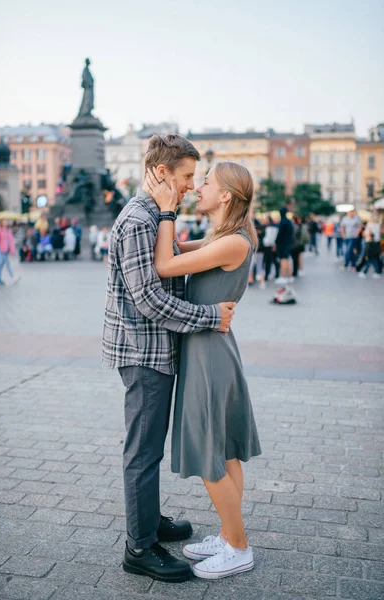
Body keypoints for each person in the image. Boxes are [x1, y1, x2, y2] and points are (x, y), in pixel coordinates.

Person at [101, 134, 236, 583]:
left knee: (149, 448)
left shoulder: (156, 216)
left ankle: (148, 520)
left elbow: (174, 258)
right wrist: (209, 316)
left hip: (154, 349)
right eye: (184, 177)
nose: (188, 185)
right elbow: (149, 299)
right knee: (142, 451)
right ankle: (139, 547)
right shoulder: (141, 219)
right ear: (161, 173)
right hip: (143, 351)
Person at [145, 161, 261, 580]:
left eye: (205, 182)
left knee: (210, 455)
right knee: (225, 452)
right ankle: (230, 537)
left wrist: (166, 211)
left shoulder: (233, 242)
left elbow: (163, 265)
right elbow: (174, 251)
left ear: (226, 195)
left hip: (209, 356)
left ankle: (240, 547)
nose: (198, 188)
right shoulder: (222, 237)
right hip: (210, 349)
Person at [275, 206, 294, 284]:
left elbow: (279, 234)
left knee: (283, 260)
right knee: (287, 260)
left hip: (282, 244)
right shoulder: (289, 221)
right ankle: (290, 276)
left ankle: (283, 276)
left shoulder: (282, 222)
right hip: (288, 243)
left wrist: (276, 241)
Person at [0, 219, 19, 284]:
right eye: (4, 222)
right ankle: (12, 276)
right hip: (1, 250)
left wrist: (12, 249)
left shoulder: (8, 230)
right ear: (1, 223)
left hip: (6, 250)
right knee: (6, 264)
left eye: (6, 222)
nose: (6, 223)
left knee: (0, 265)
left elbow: (11, 240)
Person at [262, 215, 279, 281]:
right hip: (270, 246)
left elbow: (271, 237)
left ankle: (269, 274)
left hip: (269, 246)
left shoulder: (269, 227)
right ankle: (270, 274)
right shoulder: (273, 226)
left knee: (270, 261)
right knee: (270, 261)